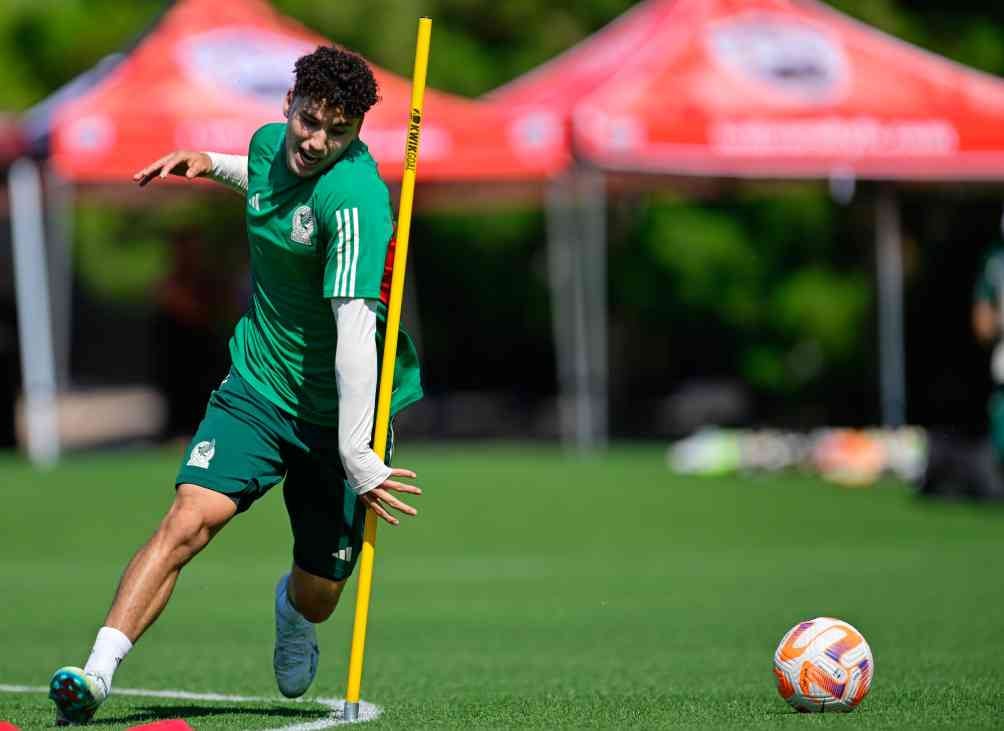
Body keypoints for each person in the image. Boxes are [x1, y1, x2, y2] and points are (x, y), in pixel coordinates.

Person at [49, 46, 424, 725]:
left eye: (338, 132)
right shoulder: (265, 146)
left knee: (321, 593)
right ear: (289, 107)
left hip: (341, 407)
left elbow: (351, 337)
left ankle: (291, 608)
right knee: (187, 519)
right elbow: (261, 175)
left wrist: (358, 453)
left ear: (358, 131)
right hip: (258, 384)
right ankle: (95, 672)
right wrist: (207, 162)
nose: (317, 142)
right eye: (309, 122)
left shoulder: (357, 200)